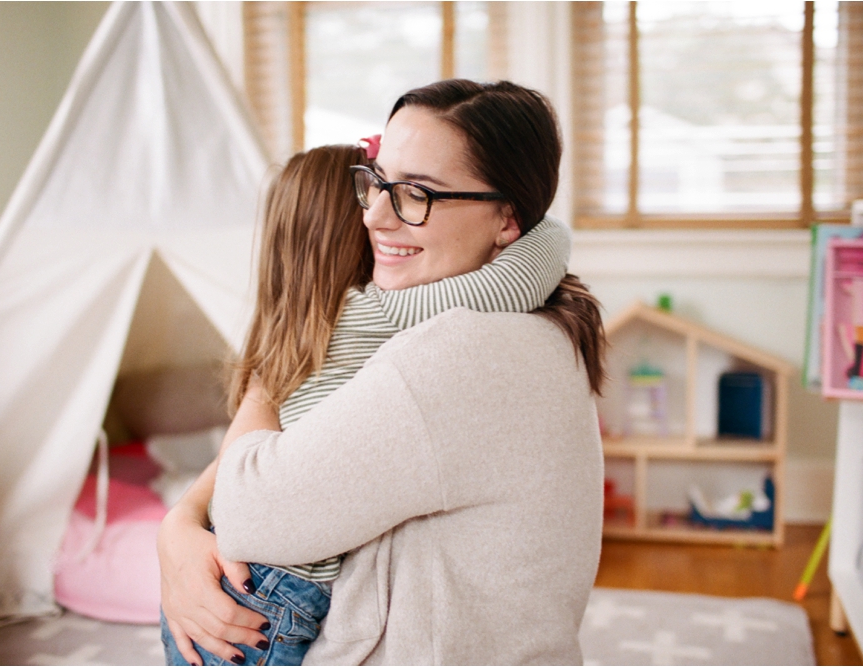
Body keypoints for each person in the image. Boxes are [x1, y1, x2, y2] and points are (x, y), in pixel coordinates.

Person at [159, 79, 605, 666]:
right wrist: (180, 523)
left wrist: (271, 371)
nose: (375, 217)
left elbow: (247, 512)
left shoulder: (457, 356)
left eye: (418, 194)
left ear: (507, 219)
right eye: (376, 183)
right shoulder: (537, 323)